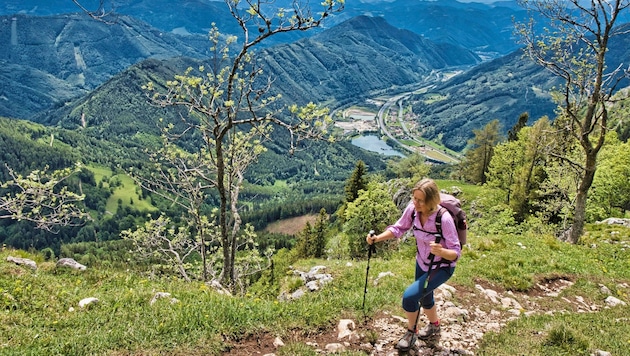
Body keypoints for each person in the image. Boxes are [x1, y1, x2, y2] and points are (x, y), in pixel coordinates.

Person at [366, 178, 461, 351]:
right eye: (414, 198)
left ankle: (411, 332)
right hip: (422, 262)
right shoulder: (413, 209)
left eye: (420, 200)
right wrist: (377, 238)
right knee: (425, 297)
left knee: (410, 298)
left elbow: (456, 251)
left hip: (441, 267)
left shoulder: (444, 219)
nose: (415, 203)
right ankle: (434, 326)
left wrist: (441, 251)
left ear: (431, 201)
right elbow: (399, 228)